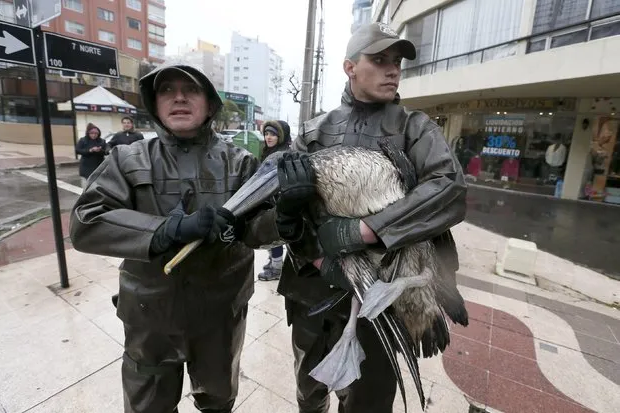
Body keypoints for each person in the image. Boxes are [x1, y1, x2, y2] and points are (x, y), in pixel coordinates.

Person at [273, 22, 467, 412]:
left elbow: (449, 190)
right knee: (309, 392)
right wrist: (298, 227)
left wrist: (364, 231)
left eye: (395, 62)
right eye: (379, 60)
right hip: (313, 290)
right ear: (350, 67)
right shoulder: (313, 133)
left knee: (370, 401)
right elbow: (278, 216)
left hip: (385, 298)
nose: (392, 69)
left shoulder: (415, 129)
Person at [69, 63, 278, 413]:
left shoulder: (240, 162)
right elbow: (85, 223)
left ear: (210, 104)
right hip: (149, 315)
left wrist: (285, 215)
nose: (178, 97)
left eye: (191, 89)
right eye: (167, 90)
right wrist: (164, 230)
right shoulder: (127, 158)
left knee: (218, 399)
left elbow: (261, 230)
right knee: (148, 404)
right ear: (154, 103)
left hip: (220, 315)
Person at [258, 119, 291, 281]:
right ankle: (274, 261)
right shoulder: (268, 151)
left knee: (274, 236)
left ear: (281, 137)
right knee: (269, 235)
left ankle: (276, 268)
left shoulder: (283, 154)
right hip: (270, 201)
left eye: (273, 134)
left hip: (279, 203)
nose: (269, 137)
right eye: (266, 133)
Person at [74, 122, 107, 188]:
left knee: (97, 187)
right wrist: (90, 150)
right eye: (92, 133)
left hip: (98, 167)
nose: (94, 135)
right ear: (88, 133)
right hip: (86, 167)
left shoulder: (102, 141)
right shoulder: (83, 140)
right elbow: (77, 150)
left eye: (96, 133)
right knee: (86, 187)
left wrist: (100, 150)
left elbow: (106, 152)